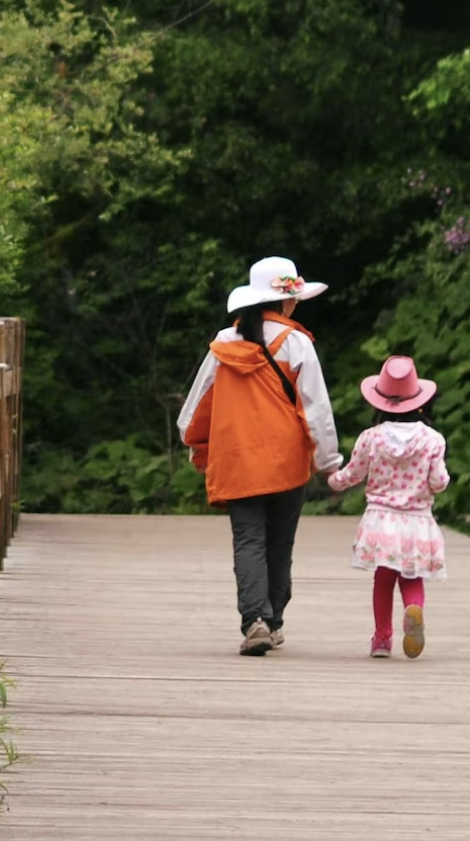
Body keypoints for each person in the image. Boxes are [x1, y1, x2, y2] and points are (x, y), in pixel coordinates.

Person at [178, 255, 342, 656]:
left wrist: (197, 443)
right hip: (287, 463)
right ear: (285, 302)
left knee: (248, 540)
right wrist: (329, 462)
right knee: (279, 543)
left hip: (237, 462)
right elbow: (316, 408)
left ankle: (255, 621)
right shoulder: (297, 344)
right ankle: (274, 621)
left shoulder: (223, 345)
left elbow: (195, 410)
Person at [327, 354, 449, 659]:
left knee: (383, 579)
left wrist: (333, 481)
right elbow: (438, 482)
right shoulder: (433, 440)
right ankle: (414, 609)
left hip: (381, 521)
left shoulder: (372, 437)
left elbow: (353, 474)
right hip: (417, 522)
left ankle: (382, 639)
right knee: (412, 576)